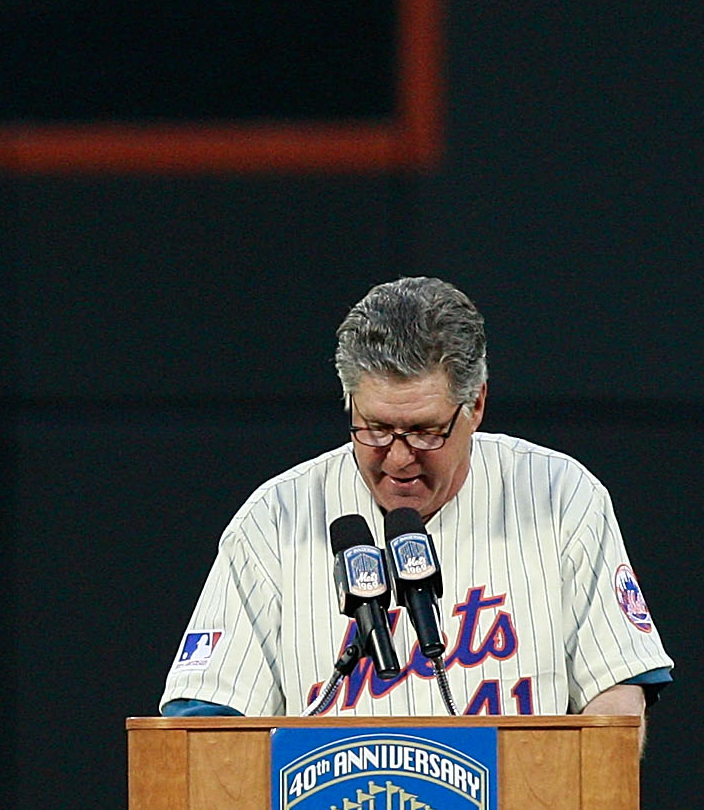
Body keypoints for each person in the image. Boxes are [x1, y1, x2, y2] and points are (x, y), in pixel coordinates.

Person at [159, 276, 672, 729]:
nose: (399, 458)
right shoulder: (275, 520)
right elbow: (206, 723)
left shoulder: (559, 496)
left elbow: (618, 691)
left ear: (476, 405)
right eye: (376, 429)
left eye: (425, 432)